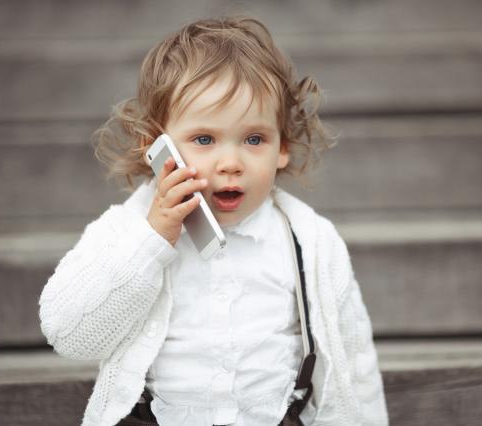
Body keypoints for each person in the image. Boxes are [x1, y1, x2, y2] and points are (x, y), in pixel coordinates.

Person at [38, 15, 388, 426]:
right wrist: (152, 239)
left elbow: (353, 362)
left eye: (254, 139)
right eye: (204, 140)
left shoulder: (311, 241)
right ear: (157, 147)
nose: (230, 163)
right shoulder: (126, 231)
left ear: (282, 148)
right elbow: (70, 335)